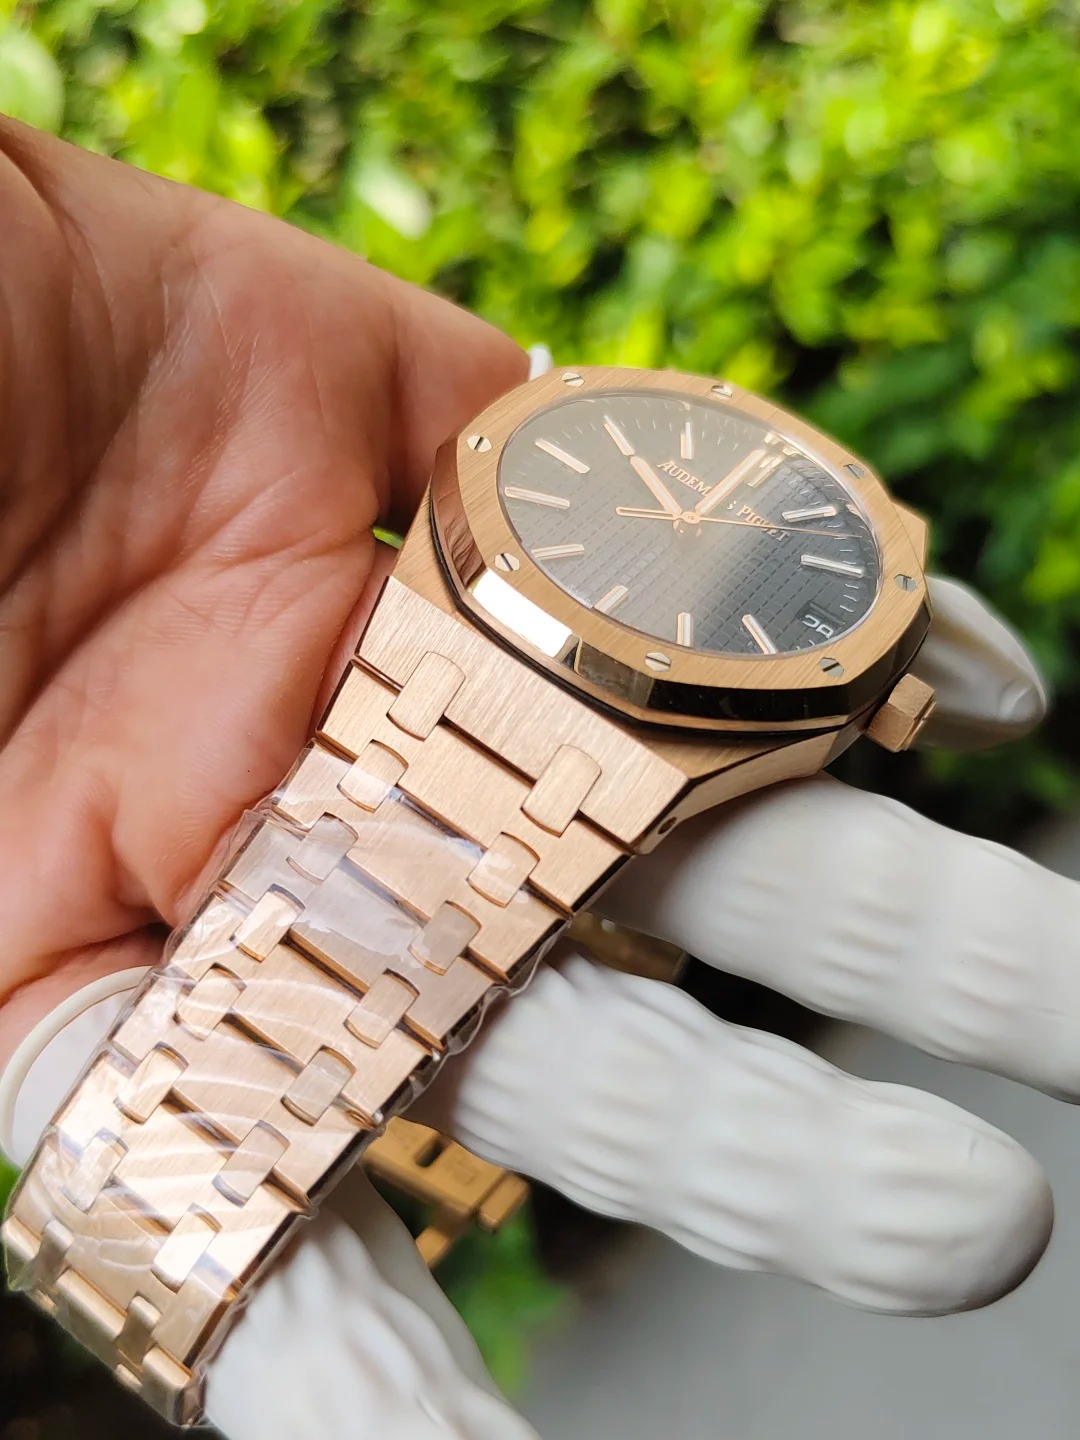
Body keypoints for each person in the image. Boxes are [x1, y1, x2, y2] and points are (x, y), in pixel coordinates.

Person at [0, 118, 1069, 1439]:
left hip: (526, 731)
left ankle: (166, 1202)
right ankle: (131, 1228)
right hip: (433, 691)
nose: (692, 513)